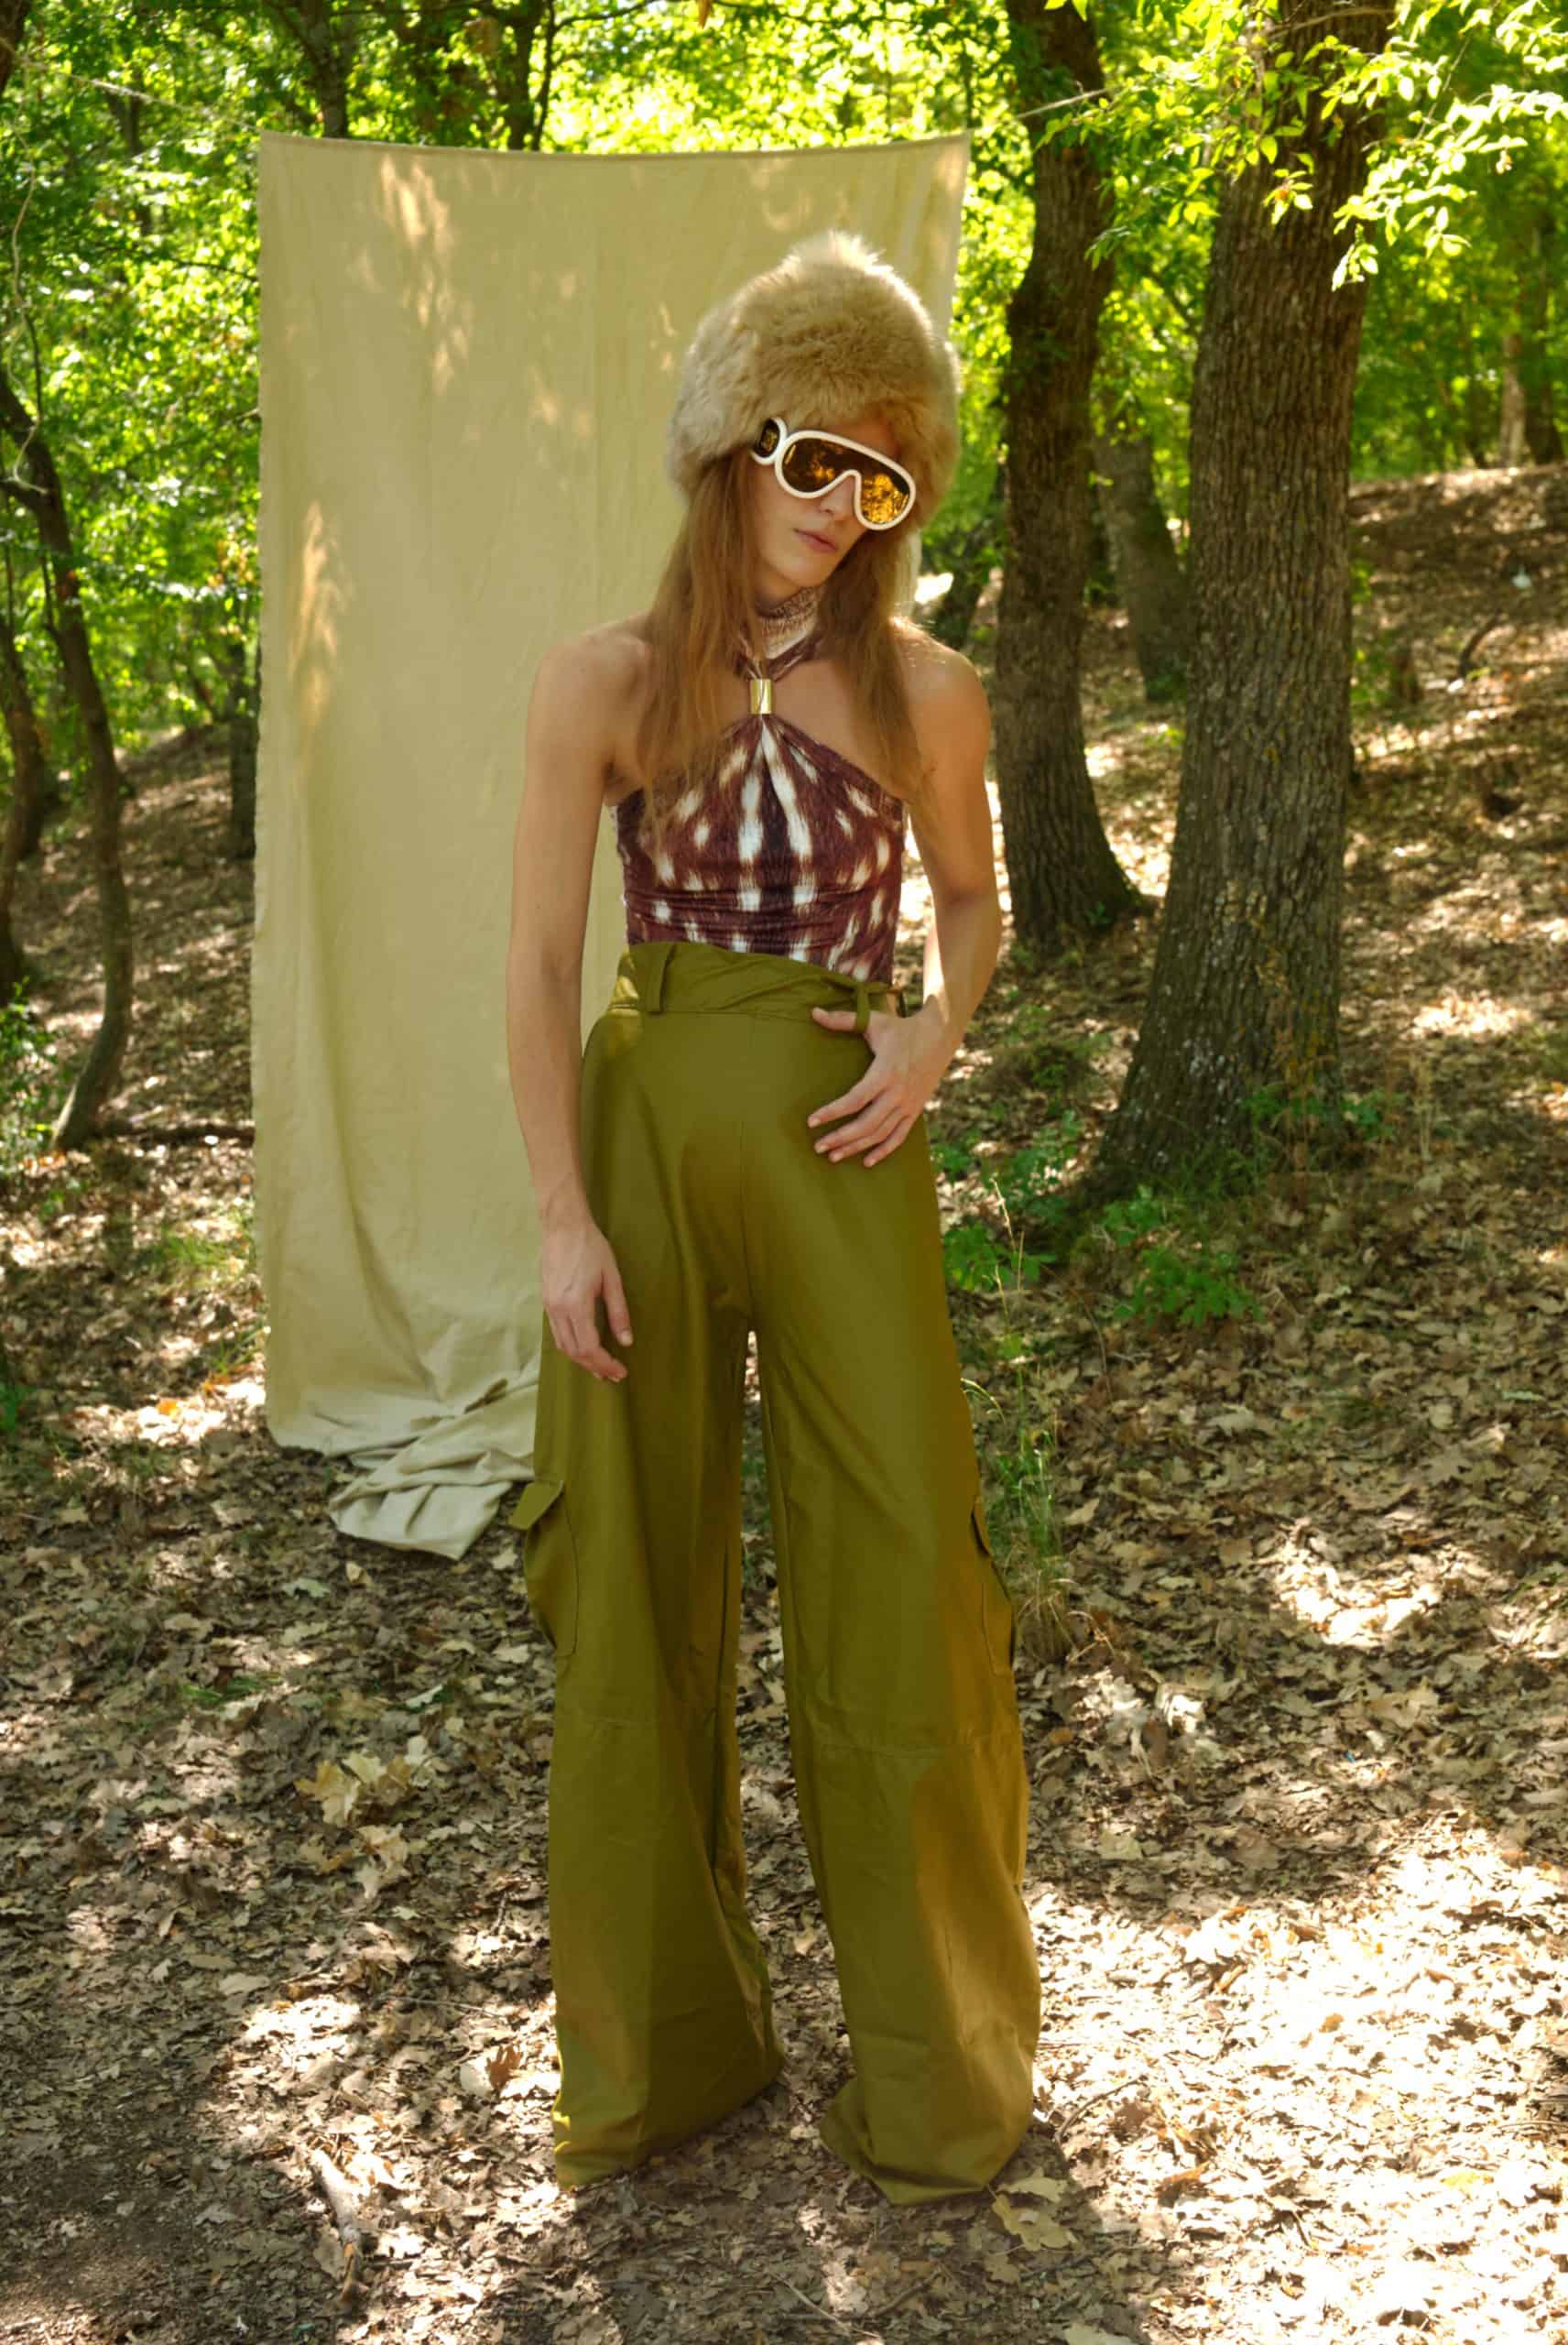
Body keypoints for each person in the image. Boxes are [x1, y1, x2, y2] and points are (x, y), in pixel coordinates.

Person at [503, 228, 1040, 2208]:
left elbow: (973, 906)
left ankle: (936, 2078)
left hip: (846, 1153)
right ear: (736, 440)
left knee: (903, 1570)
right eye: (818, 455)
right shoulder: (610, 680)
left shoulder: (929, 692)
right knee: (637, 1584)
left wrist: (931, 1026)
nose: (845, 505)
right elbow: (537, 962)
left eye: (886, 478)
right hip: (643, 1144)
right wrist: (562, 1219)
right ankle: (665, 2058)